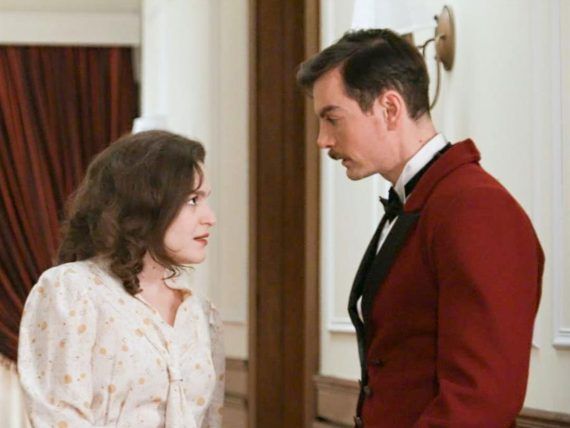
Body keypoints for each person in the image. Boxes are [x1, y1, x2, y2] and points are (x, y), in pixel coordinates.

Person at [297, 29, 544, 427]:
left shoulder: (476, 207)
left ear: (389, 108)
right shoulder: (424, 199)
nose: (322, 140)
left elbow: (482, 400)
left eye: (332, 119)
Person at [18, 130, 223, 428]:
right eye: (192, 200)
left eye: (205, 200)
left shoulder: (201, 312)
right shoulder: (72, 290)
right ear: (145, 203)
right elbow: (59, 417)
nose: (210, 217)